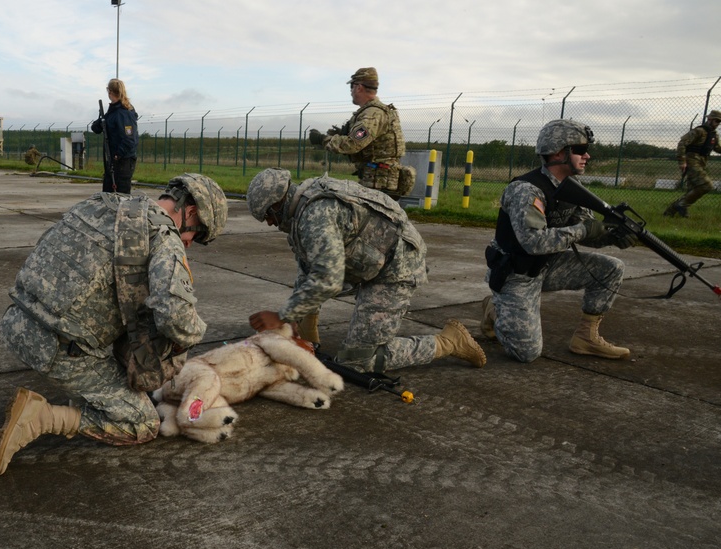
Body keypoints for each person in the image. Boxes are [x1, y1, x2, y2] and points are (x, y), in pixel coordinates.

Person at [0, 173, 228, 476]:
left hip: (16, 323)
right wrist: (192, 335)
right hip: (57, 349)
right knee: (142, 422)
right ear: (191, 212)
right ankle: (40, 418)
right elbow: (176, 316)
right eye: (196, 236)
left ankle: (86, 391)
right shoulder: (163, 236)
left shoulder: (104, 203)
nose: (189, 244)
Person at [246, 168, 486, 377]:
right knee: (314, 291)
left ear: (278, 202)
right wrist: (300, 330)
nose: (269, 223)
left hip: (396, 270)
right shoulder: (303, 210)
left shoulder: (315, 216)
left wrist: (283, 315)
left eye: (268, 215)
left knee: (357, 360)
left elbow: (328, 280)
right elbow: (309, 271)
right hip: (371, 264)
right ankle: (309, 337)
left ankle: (450, 342)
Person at [481, 119, 638, 363]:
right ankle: (494, 308)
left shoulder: (571, 188)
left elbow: (586, 230)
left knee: (611, 268)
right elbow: (533, 243)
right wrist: (585, 230)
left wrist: (610, 236)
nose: (587, 155)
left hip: (547, 265)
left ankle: (586, 338)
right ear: (558, 152)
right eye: (579, 150)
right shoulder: (526, 190)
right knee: (526, 353)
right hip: (516, 274)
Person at [309, 67, 413, 201]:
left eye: (351, 87)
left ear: (358, 87)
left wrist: (322, 139)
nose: (351, 92)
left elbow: (353, 144)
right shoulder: (376, 111)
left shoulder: (372, 114)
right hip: (379, 181)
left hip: (378, 184)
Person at [664, 109, 721, 217]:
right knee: (706, 185)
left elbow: (717, 148)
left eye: (719, 122)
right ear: (709, 119)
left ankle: (669, 213)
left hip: (702, 162)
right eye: (716, 121)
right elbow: (682, 143)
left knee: (693, 190)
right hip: (691, 161)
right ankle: (682, 204)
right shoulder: (699, 131)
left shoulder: (714, 135)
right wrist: (682, 161)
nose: (718, 124)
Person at [90, 78, 139, 194]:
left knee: (121, 196)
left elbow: (129, 139)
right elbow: (97, 128)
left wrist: (118, 155)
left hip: (123, 161)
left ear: (110, 91)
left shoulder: (124, 113)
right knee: (108, 193)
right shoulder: (112, 112)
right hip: (112, 160)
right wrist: (100, 120)